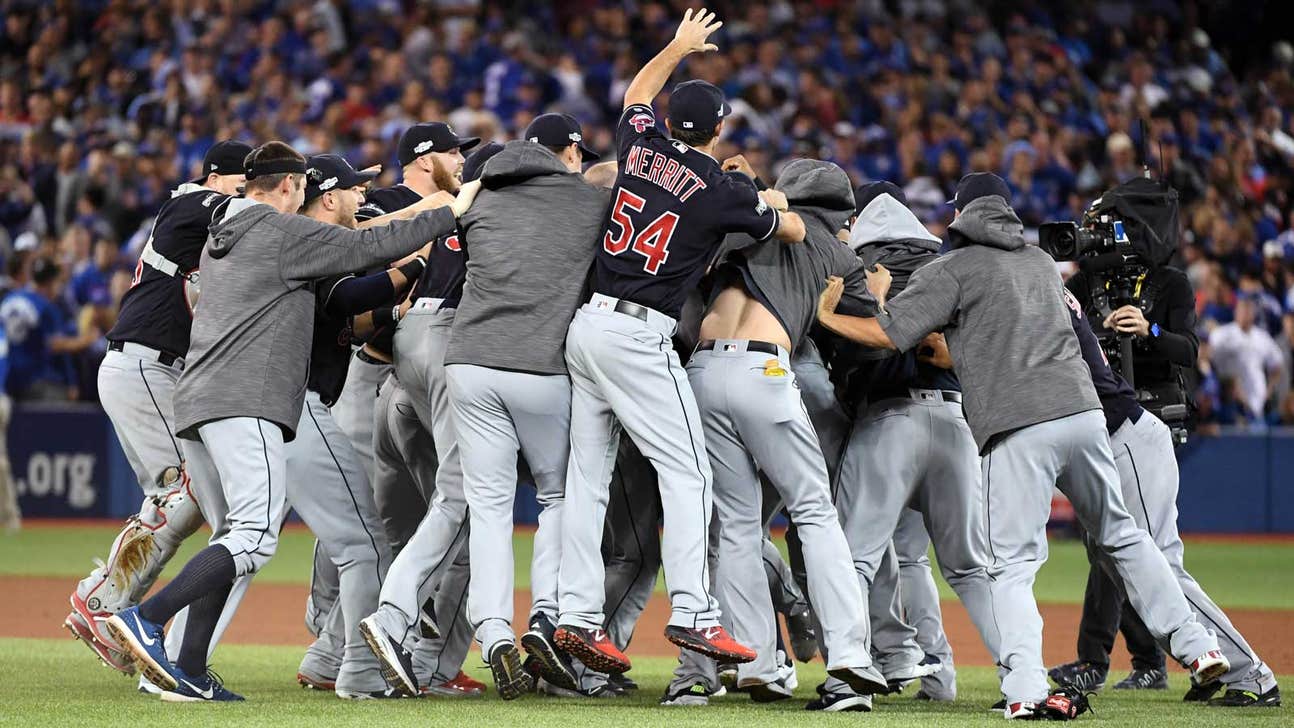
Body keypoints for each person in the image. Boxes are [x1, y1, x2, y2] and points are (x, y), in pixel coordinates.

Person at [814, 172, 1228, 720]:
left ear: (960, 216)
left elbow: (891, 336)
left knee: (1011, 567)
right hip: (1083, 414)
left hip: (1018, 425)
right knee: (1123, 535)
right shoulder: (1041, 263)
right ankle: (1199, 648)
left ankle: (1026, 690)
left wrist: (826, 315)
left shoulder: (952, 267)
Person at [105, 140, 477, 702]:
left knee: (234, 535)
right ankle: (147, 619)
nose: (304, 194)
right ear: (287, 186)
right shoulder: (280, 232)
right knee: (257, 537)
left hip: (198, 399)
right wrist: (448, 214)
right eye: (301, 185)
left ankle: (187, 668)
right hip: (249, 399)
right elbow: (370, 246)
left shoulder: (222, 237)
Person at [554, 9, 803, 683]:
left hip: (588, 327)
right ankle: (694, 611)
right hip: (639, 335)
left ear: (672, 123)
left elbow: (637, 94)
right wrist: (761, 192)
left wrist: (677, 46)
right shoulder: (722, 188)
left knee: (587, 478)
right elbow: (790, 230)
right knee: (689, 475)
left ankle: (576, 616)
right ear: (720, 129)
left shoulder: (639, 149)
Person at [366, 126, 608, 700]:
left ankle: (482, 628)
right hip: (542, 366)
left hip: (470, 364)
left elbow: (441, 228)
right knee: (556, 497)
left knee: (483, 505)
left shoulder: (478, 195)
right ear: (567, 155)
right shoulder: (588, 201)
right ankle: (544, 619)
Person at [685, 157, 888, 704]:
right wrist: (881, 292)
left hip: (701, 372)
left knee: (736, 525)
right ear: (839, 212)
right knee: (814, 510)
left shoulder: (741, 226)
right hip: (764, 371)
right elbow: (878, 331)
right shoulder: (836, 251)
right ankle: (849, 657)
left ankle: (756, 662)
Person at [1040, 285, 1280, 708]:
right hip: (1111, 445)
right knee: (1117, 562)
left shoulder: (1030, 287)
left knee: (1158, 570)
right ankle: (1206, 660)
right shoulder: (1039, 285)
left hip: (1125, 440)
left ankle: (1253, 675)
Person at [817, 180, 1000, 711]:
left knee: (854, 558)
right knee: (963, 567)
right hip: (954, 422)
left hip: (888, 421)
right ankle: (1007, 678)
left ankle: (848, 680)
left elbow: (856, 355)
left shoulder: (856, 267)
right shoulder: (948, 265)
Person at [355, 141, 506, 699]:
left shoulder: (450, 204)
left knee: (416, 519)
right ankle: (421, 650)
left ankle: (344, 654)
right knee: (467, 507)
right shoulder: (502, 206)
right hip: (445, 343)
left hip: (401, 364)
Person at [1058, 203, 1206, 688]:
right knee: (1109, 542)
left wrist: (1149, 329)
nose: (1091, 237)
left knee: (1124, 542)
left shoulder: (1170, 283)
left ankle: (1110, 661)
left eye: (1100, 228)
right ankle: (1147, 660)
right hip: (1102, 412)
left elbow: (1188, 349)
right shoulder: (1081, 285)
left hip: (1154, 413)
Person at [1, 256, 98, 400]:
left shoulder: (8, 298)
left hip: (5, 379)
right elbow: (56, 345)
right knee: (62, 407)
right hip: (34, 380)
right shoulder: (46, 306)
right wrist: (84, 341)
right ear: (50, 282)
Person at [1209, 295, 1285, 421]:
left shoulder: (1262, 336)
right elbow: (1208, 359)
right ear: (1236, 311)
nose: (1245, 313)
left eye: (1249, 310)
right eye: (1242, 309)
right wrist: (1226, 384)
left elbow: (1277, 363)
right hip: (1230, 401)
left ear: (1254, 313)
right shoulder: (1222, 334)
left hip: (1258, 402)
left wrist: (1268, 391)